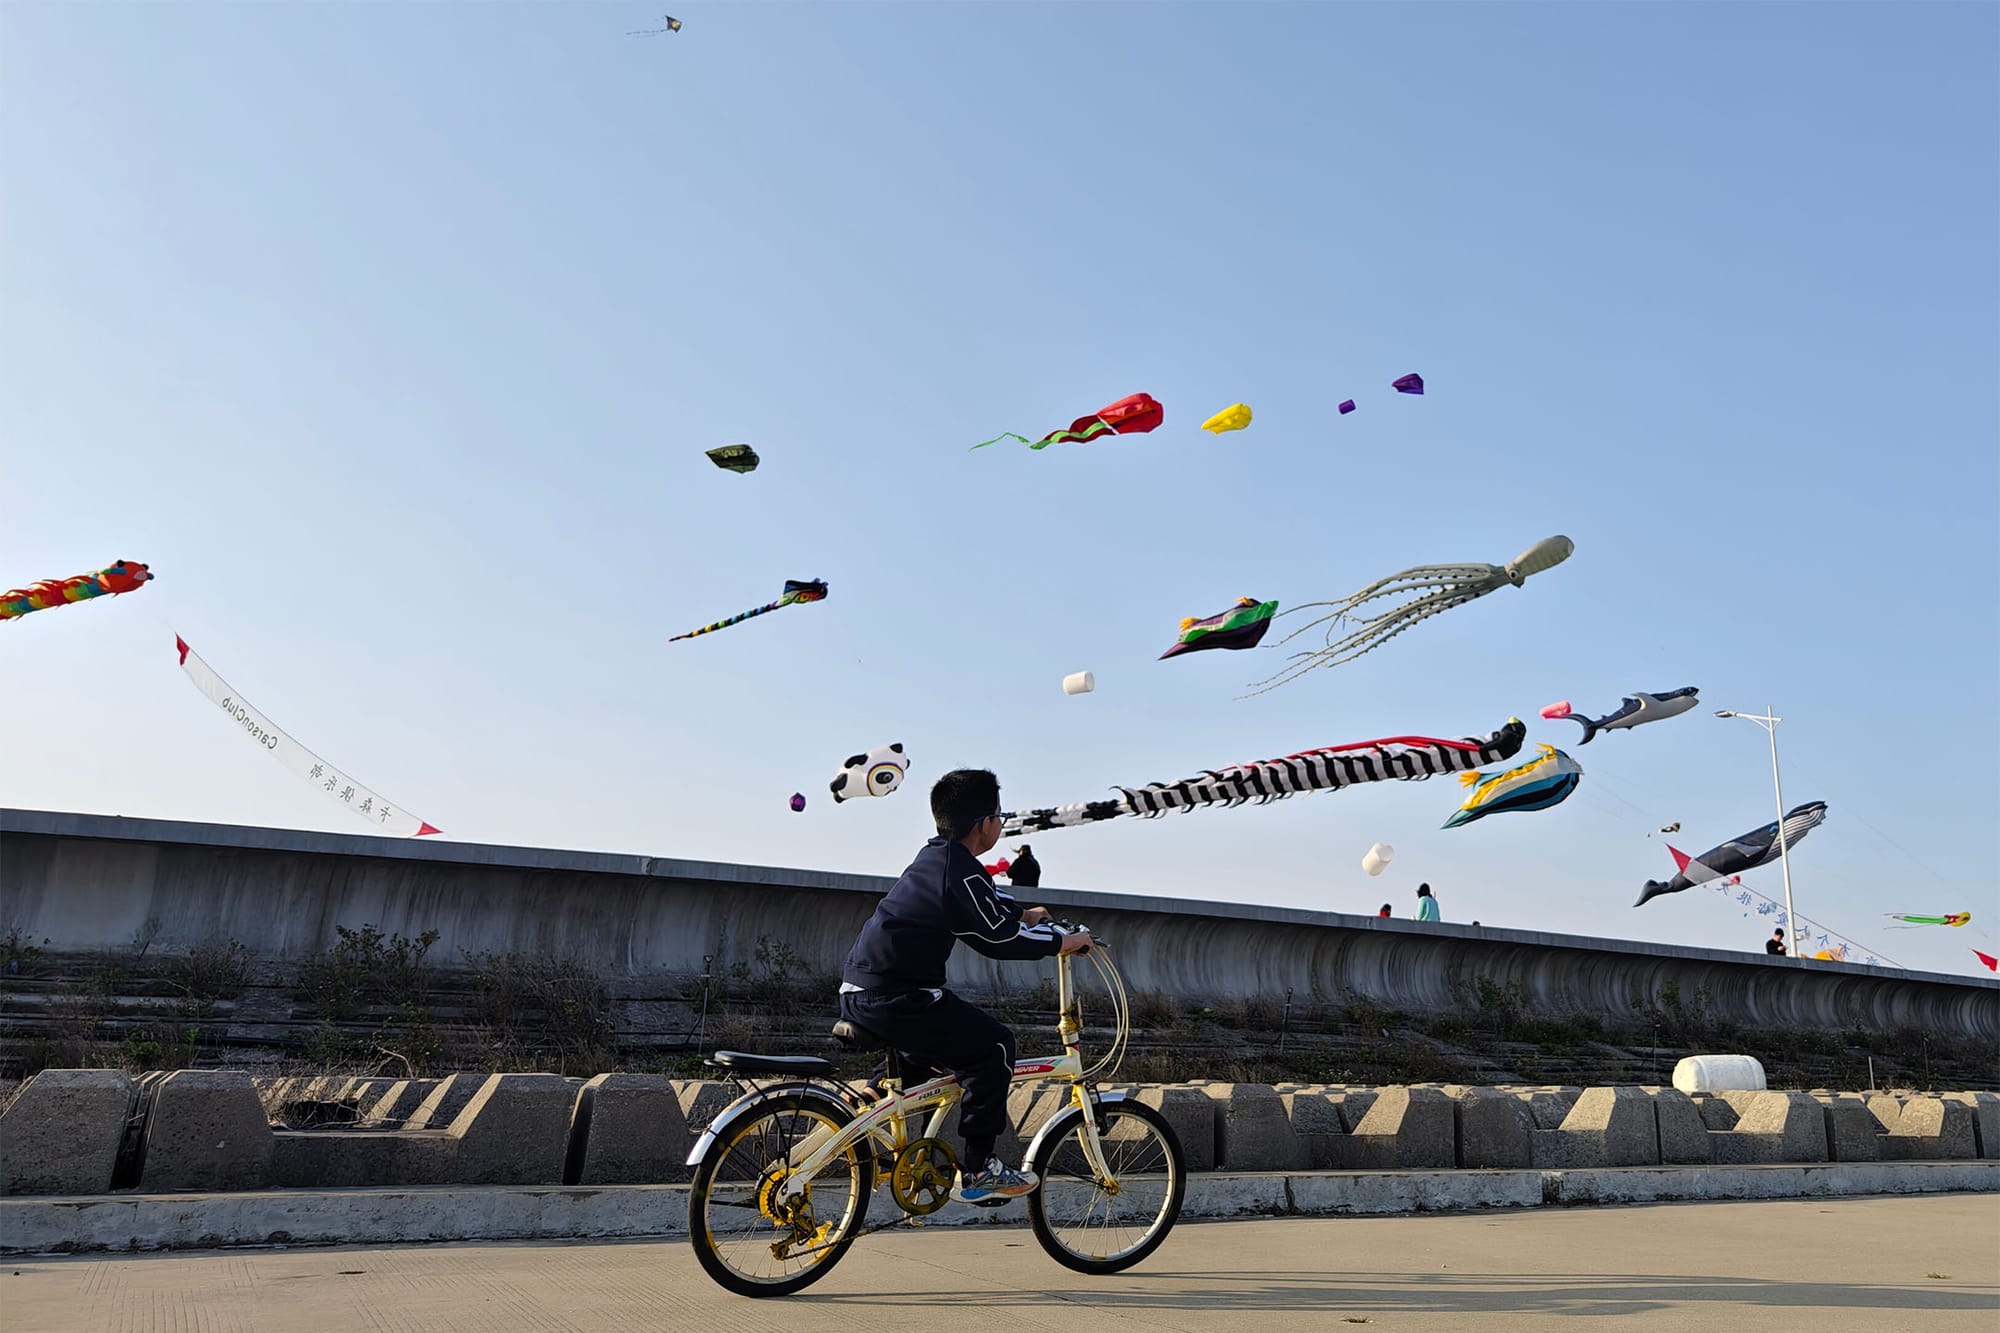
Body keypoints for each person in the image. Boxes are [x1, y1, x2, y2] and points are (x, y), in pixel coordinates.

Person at [838, 769, 1091, 1205]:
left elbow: (985, 902)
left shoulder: (938, 858)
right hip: (899, 997)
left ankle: (872, 1094)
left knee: (928, 1049)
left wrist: (1025, 913)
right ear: (983, 824)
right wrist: (1061, 943)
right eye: (999, 816)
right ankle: (979, 1169)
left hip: (863, 991)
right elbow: (997, 938)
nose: (1000, 824)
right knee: (994, 1047)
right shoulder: (958, 870)